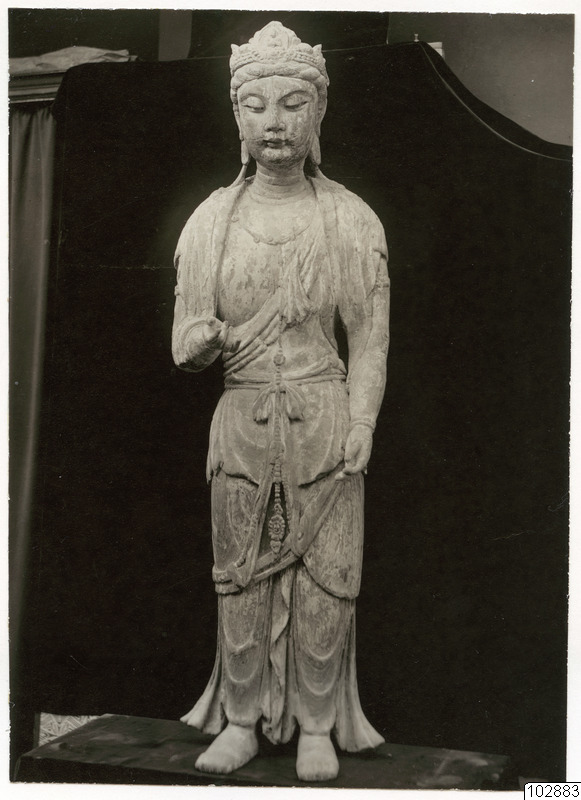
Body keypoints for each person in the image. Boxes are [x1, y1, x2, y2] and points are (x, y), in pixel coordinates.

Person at [172, 21, 390, 782]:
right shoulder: (211, 220)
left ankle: (317, 726)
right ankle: (240, 719)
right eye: (256, 105)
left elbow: (370, 338)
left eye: (293, 103)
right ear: (237, 116)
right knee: (240, 574)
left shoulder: (350, 218)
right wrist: (201, 340)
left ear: (317, 112)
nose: (274, 121)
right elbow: (183, 343)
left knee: (328, 576)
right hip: (240, 421)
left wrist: (363, 420)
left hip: (323, 415)